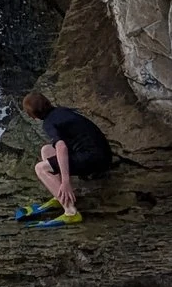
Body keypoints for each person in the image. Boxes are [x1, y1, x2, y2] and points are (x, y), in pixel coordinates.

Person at [18, 91, 113, 224]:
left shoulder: (48, 123)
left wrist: (66, 182)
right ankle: (60, 196)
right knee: (46, 150)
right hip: (103, 153)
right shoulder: (61, 111)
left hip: (94, 159)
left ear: (33, 116)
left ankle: (70, 211)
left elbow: (61, 147)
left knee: (40, 168)